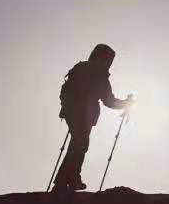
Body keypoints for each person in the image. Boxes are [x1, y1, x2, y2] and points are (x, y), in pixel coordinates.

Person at [53, 44, 134, 194]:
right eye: (108, 60)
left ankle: (66, 180)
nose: (108, 63)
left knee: (78, 143)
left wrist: (67, 107)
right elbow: (108, 101)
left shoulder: (83, 68)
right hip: (81, 114)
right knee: (80, 143)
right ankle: (67, 180)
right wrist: (125, 104)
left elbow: (67, 90)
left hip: (77, 112)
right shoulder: (99, 76)